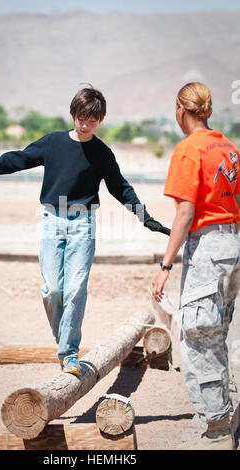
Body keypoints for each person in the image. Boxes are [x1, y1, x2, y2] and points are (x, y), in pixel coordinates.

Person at [0, 85, 170, 376]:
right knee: (53, 289)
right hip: (53, 220)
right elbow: (16, 159)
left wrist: (144, 217)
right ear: (73, 114)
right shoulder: (53, 143)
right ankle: (63, 341)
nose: (85, 125)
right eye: (81, 118)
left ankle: (69, 353)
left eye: (92, 121)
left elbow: (120, 187)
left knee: (76, 289)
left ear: (100, 121)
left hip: (83, 223)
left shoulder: (102, 153)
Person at [152, 82, 240, 450]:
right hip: (233, 243)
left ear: (181, 111)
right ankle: (220, 413)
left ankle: (216, 426)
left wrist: (165, 264)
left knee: (198, 335)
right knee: (216, 331)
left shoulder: (190, 149)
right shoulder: (229, 147)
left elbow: (186, 212)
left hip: (208, 246)